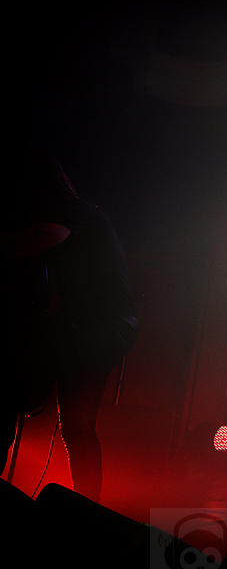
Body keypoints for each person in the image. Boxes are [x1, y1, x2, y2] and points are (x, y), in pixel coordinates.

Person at [1, 151, 139, 502]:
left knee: (71, 423)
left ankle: (88, 508)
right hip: (94, 326)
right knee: (77, 427)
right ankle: (88, 507)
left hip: (104, 326)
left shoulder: (75, 212)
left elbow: (34, 242)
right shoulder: (73, 214)